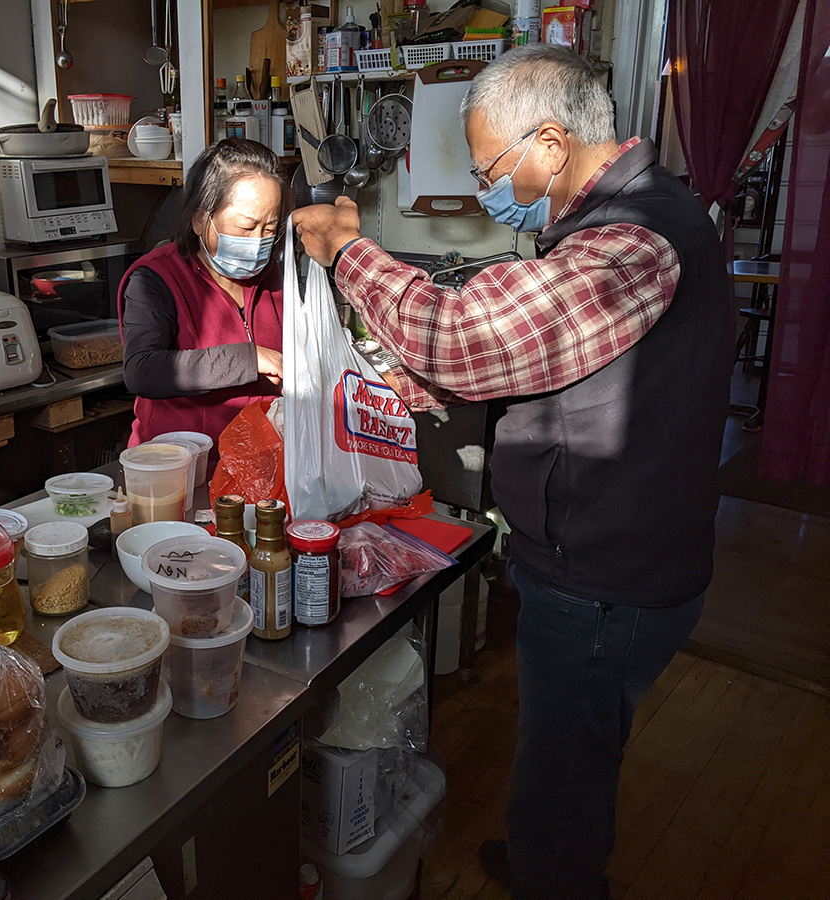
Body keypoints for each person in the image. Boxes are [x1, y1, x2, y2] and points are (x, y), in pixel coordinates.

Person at [293, 45, 734, 900]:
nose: (489, 188)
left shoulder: (634, 242)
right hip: (595, 555)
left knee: (567, 768)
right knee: (562, 755)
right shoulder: (621, 223)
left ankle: (554, 876)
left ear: (551, 143)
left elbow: (465, 336)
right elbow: (551, 361)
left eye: (490, 169)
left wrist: (348, 253)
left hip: (606, 574)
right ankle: (543, 857)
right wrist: (413, 384)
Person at [118, 139, 286, 450]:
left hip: (260, 460)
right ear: (200, 220)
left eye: (269, 229)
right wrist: (249, 359)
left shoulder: (272, 276)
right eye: (246, 227)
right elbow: (142, 371)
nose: (257, 241)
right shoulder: (156, 278)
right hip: (181, 463)